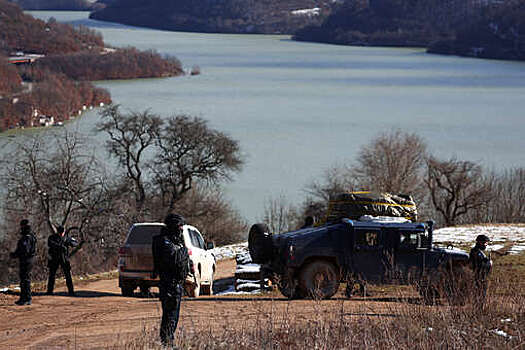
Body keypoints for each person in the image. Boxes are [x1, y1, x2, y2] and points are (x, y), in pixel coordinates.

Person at [152, 213, 190, 347]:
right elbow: (174, 260)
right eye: (180, 226)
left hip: (176, 284)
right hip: (169, 284)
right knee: (170, 316)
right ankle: (167, 343)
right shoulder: (165, 241)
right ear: (174, 226)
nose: (181, 229)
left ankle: (168, 342)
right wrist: (184, 251)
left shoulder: (174, 241)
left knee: (172, 316)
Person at [9, 219, 37, 306]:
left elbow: (25, 250)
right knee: (23, 279)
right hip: (26, 260)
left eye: (21, 226)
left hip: (27, 260)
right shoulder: (28, 236)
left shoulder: (27, 237)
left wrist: (15, 254)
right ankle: (22, 298)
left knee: (25, 280)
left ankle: (27, 298)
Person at [46, 225, 79, 296]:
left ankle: (71, 291)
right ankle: (49, 291)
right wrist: (60, 246)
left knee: (68, 275)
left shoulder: (67, 238)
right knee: (52, 275)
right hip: (54, 258)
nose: (61, 234)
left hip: (64, 258)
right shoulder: (52, 238)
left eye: (62, 232)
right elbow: (50, 243)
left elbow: (75, 243)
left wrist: (70, 243)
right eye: (60, 232)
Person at [469, 234, 492, 305]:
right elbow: (477, 266)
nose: (486, 245)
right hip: (478, 278)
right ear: (480, 242)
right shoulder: (475, 252)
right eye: (485, 243)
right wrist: (488, 263)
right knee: (479, 296)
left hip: (482, 277)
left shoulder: (479, 252)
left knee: (482, 297)